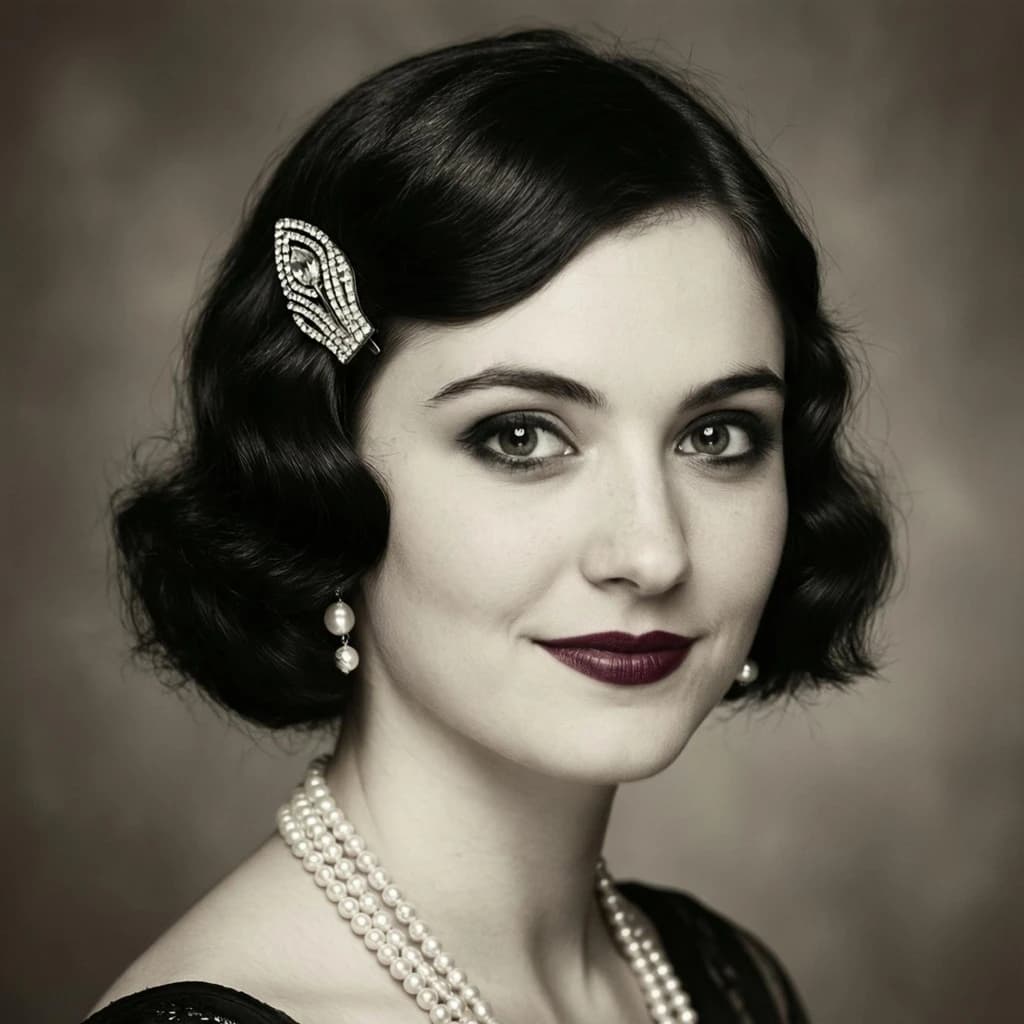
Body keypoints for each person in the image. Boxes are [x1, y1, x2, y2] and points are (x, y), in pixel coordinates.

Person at [82, 26, 895, 1024]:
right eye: (520, 437)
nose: (652, 550)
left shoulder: (719, 980)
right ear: (318, 468)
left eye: (717, 435)